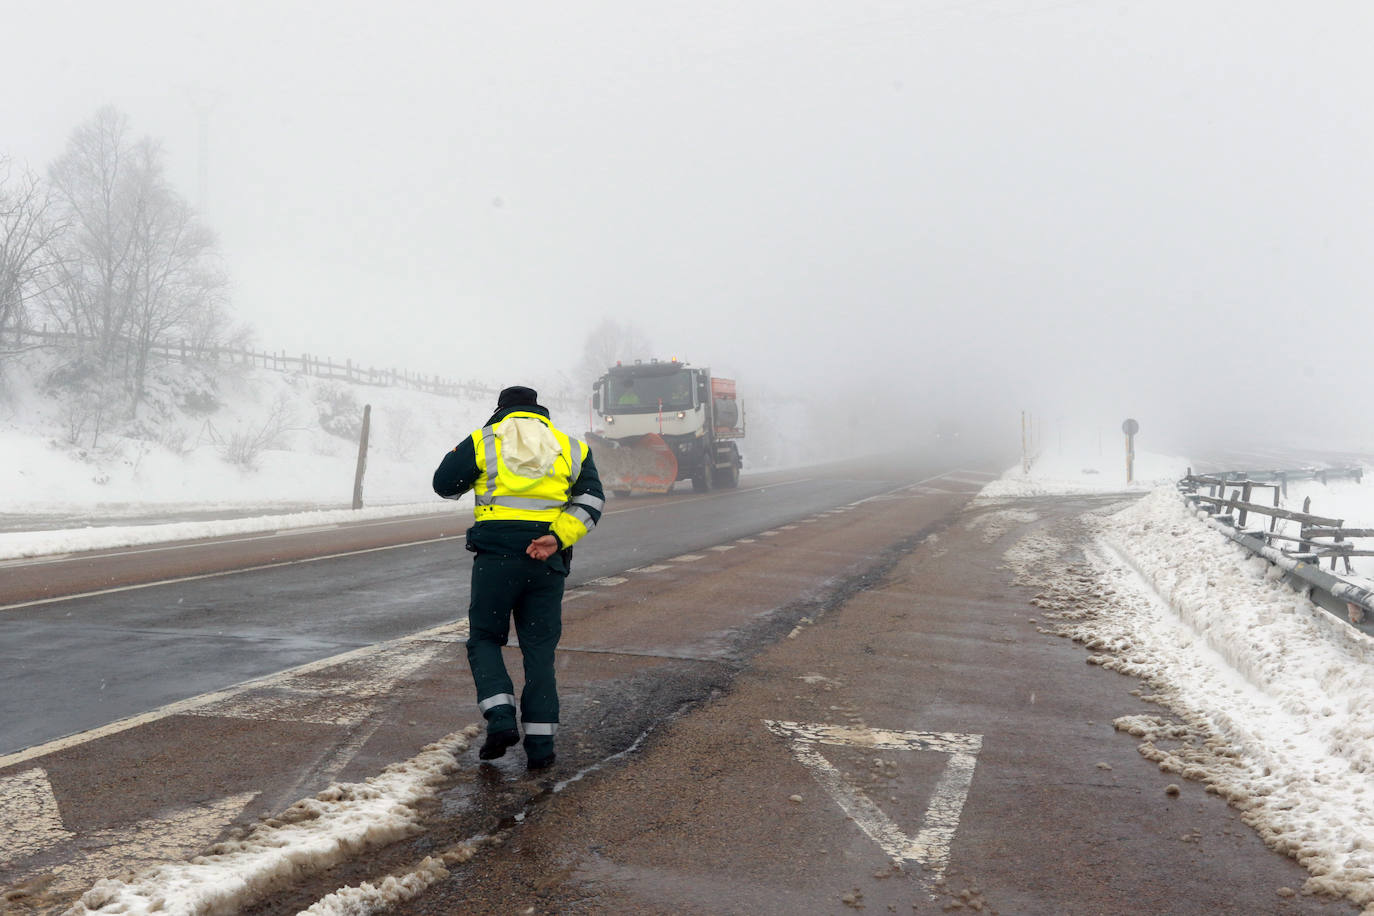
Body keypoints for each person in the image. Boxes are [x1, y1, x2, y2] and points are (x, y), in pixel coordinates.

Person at [432, 385, 604, 771]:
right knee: (539, 651)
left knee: (485, 639)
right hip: (547, 558)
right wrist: (557, 537)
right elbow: (592, 500)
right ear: (539, 409)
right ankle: (541, 749)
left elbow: (444, 485)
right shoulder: (571, 446)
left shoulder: (486, 439)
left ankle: (500, 717)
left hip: (496, 558)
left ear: (501, 410)